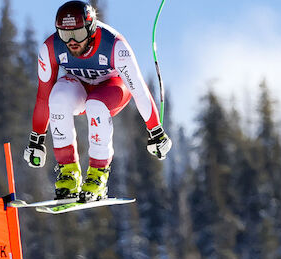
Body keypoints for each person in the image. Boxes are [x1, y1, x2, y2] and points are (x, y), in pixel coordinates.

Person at [23, 0, 172, 202]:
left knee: (96, 105)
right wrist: (36, 139)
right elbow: (43, 95)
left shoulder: (115, 45)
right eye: (65, 35)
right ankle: (69, 173)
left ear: (91, 29)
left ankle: (98, 176)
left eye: (78, 34)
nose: (72, 42)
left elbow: (138, 89)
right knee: (57, 97)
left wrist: (155, 131)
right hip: (81, 87)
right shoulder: (51, 47)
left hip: (113, 88)